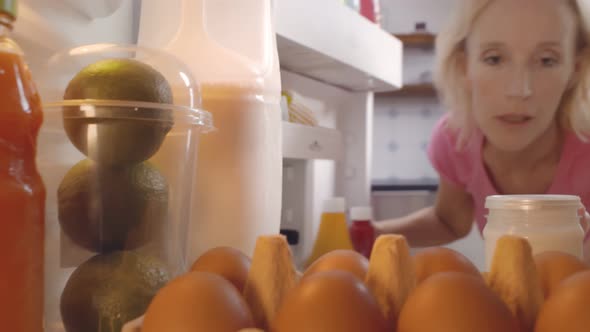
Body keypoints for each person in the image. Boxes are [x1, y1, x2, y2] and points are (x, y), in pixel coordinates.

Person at [374, 0, 590, 263]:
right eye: (495, 59)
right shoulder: (457, 139)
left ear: (575, 69)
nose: (519, 90)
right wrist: (372, 233)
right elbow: (449, 221)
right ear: (465, 65)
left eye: (546, 60)